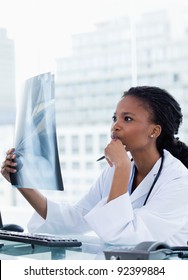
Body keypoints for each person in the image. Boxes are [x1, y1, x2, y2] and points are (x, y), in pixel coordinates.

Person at [1, 86, 188, 246]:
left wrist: (122, 167)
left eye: (127, 119)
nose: (115, 126)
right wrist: (21, 182)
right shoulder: (114, 171)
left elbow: (125, 238)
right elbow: (73, 220)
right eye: (115, 118)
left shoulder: (178, 181)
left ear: (154, 131)